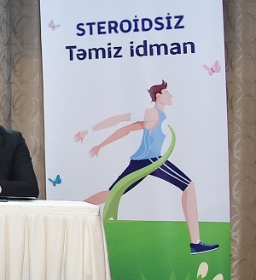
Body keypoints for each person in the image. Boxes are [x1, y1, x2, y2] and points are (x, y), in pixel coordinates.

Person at [75, 80, 215, 254]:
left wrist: (101, 144)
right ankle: (195, 243)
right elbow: (119, 120)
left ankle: (73, 210)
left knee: (112, 193)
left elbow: (127, 129)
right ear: (158, 96)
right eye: (167, 93)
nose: (171, 95)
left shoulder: (158, 115)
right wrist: (90, 133)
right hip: (151, 161)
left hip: (142, 161)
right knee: (189, 186)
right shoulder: (151, 113)